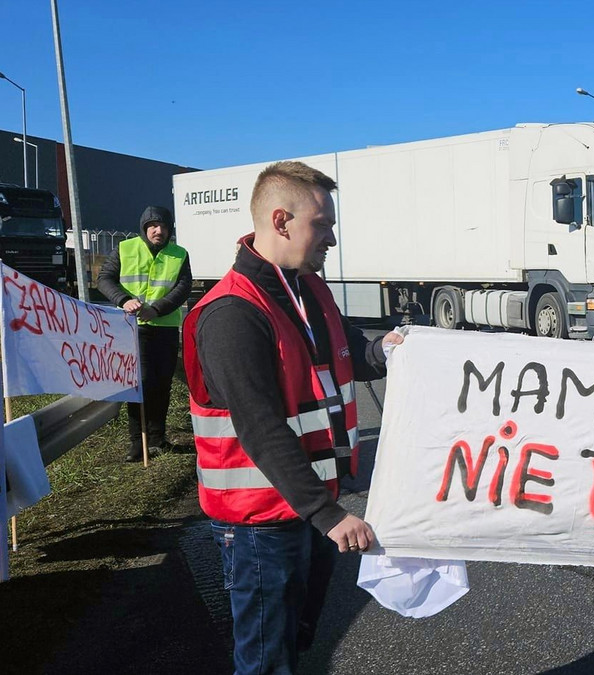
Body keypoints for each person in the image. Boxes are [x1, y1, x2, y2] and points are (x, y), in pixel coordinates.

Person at [182, 161, 403, 673]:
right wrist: (328, 516)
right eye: (321, 225)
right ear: (281, 221)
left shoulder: (308, 288)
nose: (330, 238)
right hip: (261, 520)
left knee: (293, 644)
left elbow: (343, 351)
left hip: (307, 504)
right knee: (265, 660)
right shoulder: (232, 313)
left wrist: (385, 352)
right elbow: (259, 428)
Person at [97, 205, 192, 462]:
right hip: (134, 329)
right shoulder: (125, 249)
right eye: (152, 226)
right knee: (141, 384)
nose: (157, 230)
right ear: (143, 228)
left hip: (166, 329)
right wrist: (123, 299)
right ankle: (137, 443)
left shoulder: (179, 254)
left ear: (169, 229)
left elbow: (183, 288)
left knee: (162, 384)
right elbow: (104, 279)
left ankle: (158, 438)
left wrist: (157, 310)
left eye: (162, 226)